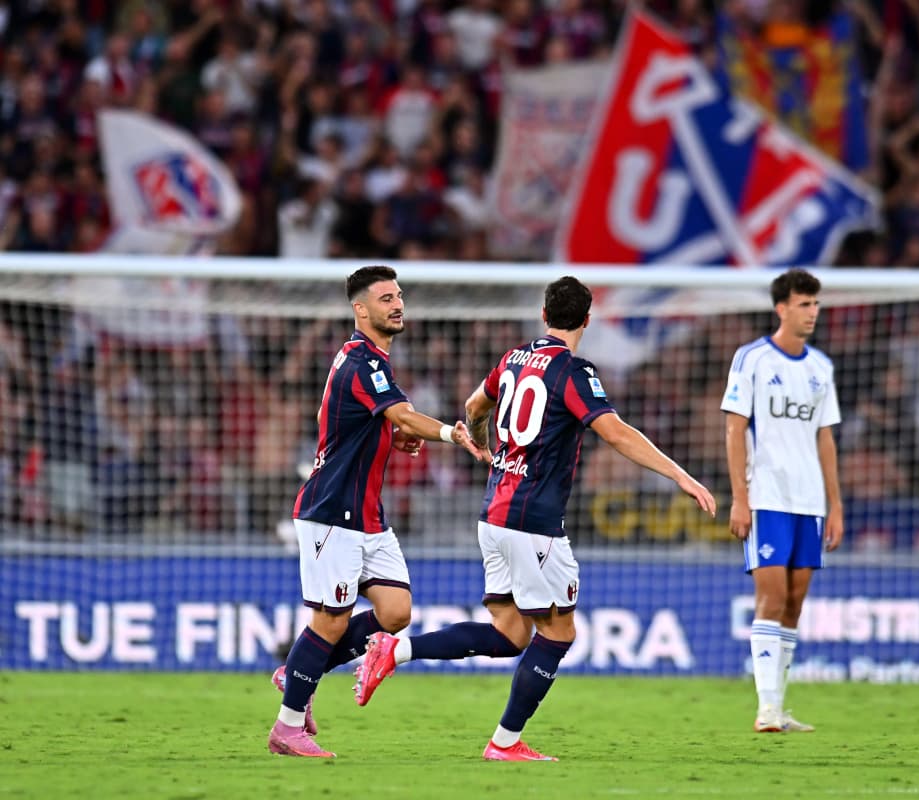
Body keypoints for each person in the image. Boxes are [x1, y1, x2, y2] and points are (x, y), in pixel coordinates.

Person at [351, 275, 717, 761]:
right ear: (587, 320)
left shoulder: (512, 359)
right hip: (534, 522)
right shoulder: (574, 372)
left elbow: (473, 405)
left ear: (544, 315)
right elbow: (616, 433)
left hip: (494, 514)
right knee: (559, 632)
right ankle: (504, 743)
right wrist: (680, 475)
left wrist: (482, 442)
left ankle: (393, 651)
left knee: (510, 635)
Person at [267, 265, 487, 758]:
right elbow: (402, 413)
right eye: (386, 297)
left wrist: (394, 436)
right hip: (331, 511)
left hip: (367, 515)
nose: (397, 303)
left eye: (399, 294)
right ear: (360, 310)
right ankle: (287, 728)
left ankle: (298, 671)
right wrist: (453, 433)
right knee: (329, 622)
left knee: (395, 612)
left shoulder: (376, 364)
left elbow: (375, 423)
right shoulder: (361, 360)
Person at [721, 268, 844, 734]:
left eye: (816, 304)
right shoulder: (751, 359)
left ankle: (778, 704)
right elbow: (734, 429)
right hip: (767, 497)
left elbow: (825, 439)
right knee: (770, 598)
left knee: (794, 602)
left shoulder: (820, 369)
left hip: (809, 502)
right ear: (781, 308)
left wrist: (836, 505)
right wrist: (740, 498)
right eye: (804, 304)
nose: (812, 312)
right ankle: (766, 708)